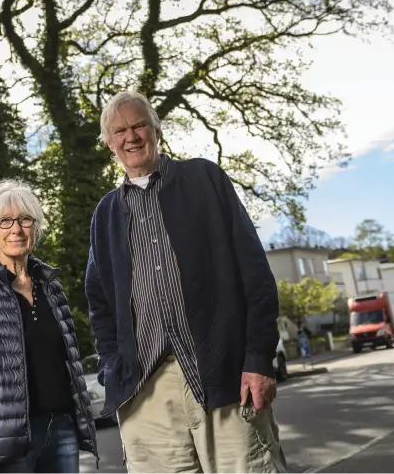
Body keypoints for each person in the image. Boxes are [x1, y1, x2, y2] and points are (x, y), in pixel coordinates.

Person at [85, 90, 287, 473]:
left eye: (138, 124)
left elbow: (256, 274)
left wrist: (259, 358)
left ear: (156, 129)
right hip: (146, 393)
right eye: (119, 131)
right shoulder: (106, 214)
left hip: (224, 377)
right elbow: (100, 304)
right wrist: (113, 368)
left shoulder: (204, 178)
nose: (131, 136)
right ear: (109, 143)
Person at [0, 179, 97, 473]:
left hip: (61, 430)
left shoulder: (52, 287)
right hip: (7, 443)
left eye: (25, 219)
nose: (16, 229)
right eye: (6, 221)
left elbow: (68, 361)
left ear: (35, 227)